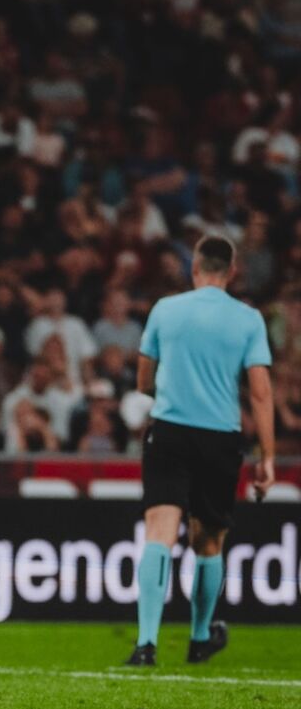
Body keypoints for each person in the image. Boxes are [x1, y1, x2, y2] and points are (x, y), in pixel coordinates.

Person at [128, 236, 277, 666]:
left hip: (170, 431)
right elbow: (262, 393)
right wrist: (266, 458)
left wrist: (171, 386)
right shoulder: (248, 320)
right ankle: (198, 639)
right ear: (231, 272)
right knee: (208, 542)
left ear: (194, 268)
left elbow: (142, 381)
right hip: (219, 438)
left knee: (159, 533)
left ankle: (146, 644)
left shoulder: (165, 309)